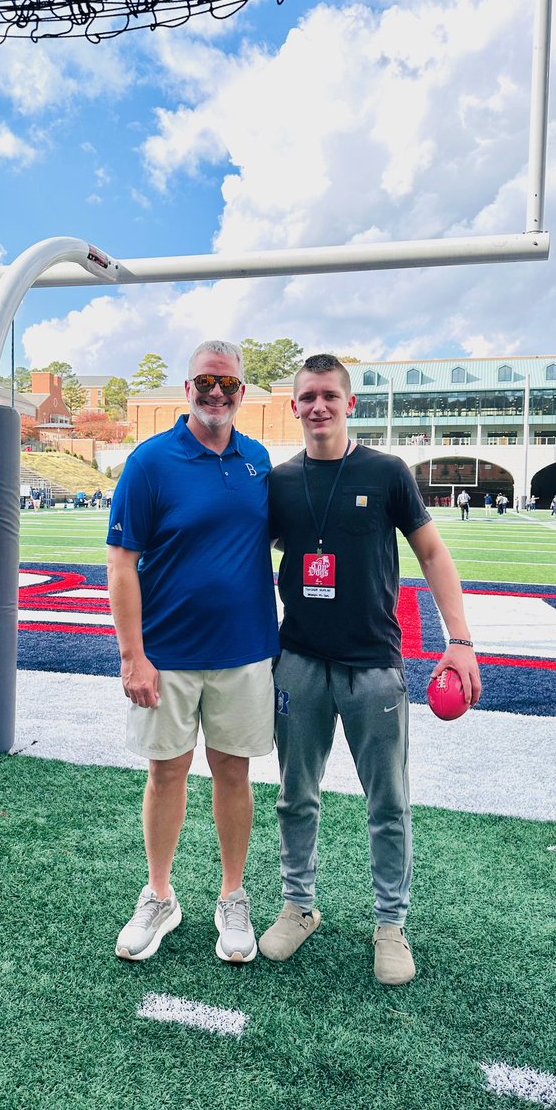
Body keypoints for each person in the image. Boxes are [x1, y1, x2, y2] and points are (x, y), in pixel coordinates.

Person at [260, 354, 481, 986]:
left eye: (330, 394)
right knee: (295, 795)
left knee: (388, 802)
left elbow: (433, 552)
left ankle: (390, 923)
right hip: (298, 661)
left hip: (374, 666)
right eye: (308, 396)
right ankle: (299, 906)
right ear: (295, 406)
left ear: (349, 403)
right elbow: (246, 559)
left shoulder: (386, 472)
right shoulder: (279, 482)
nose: (319, 405)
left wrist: (459, 639)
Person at [107, 340, 279, 964]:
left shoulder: (258, 458)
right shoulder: (151, 462)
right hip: (168, 653)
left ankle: (232, 895)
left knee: (234, 772)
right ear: (187, 387)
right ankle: (159, 895)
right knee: (166, 772)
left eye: (229, 384)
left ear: (242, 393)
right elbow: (121, 564)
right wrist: (133, 655)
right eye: (206, 381)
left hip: (244, 651)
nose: (217, 393)